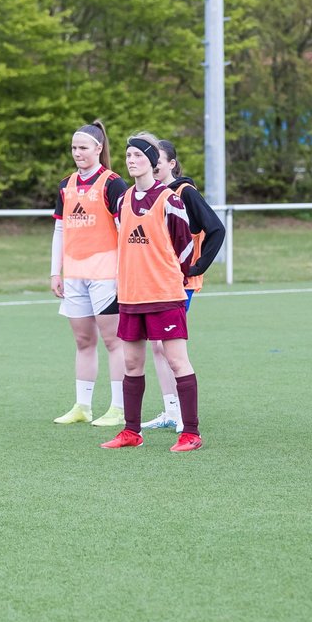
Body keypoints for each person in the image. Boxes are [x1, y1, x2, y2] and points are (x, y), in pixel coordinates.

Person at [100, 133, 203, 453]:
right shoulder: (123, 199)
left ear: (153, 162)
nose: (131, 160)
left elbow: (185, 247)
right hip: (131, 295)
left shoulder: (169, 199)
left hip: (164, 293)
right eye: (128, 156)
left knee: (176, 360)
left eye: (138, 156)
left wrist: (176, 278)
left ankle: (191, 433)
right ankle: (131, 431)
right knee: (131, 363)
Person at [139, 140, 226, 433]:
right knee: (158, 347)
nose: (152, 167)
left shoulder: (184, 192)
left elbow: (216, 228)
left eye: (158, 162)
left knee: (171, 348)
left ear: (171, 164)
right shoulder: (153, 196)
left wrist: (196, 267)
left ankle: (181, 416)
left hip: (178, 283)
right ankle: (171, 410)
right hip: (155, 281)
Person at [50, 120, 129, 427]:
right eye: (74, 148)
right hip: (75, 276)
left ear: (98, 148)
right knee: (83, 340)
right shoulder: (65, 185)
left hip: (106, 275)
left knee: (114, 341)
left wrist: (124, 272)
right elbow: (59, 228)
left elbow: (124, 230)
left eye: (83, 148)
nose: (78, 153)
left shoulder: (113, 184)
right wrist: (55, 272)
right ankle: (83, 406)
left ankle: (118, 408)